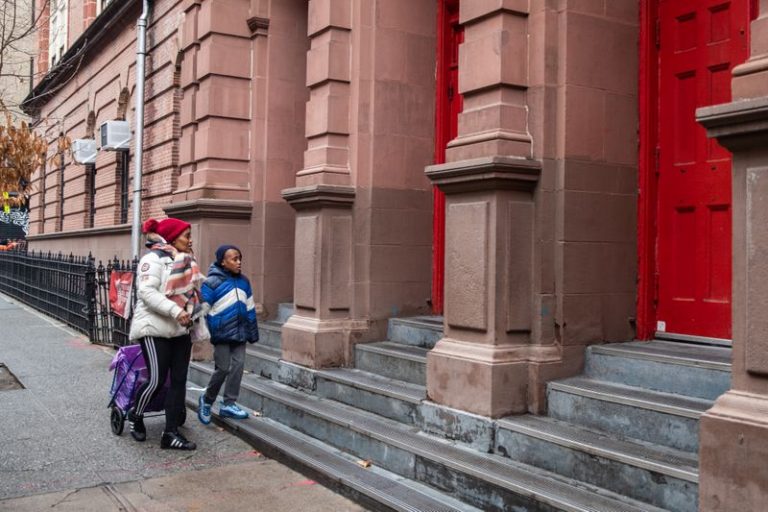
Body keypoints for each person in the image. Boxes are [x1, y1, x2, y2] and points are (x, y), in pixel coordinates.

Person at [127, 217, 204, 450]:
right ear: (172, 237)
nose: (190, 241)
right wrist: (175, 310)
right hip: (154, 328)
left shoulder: (184, 260)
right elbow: (146, 293)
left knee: (179, 380)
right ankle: (136, 415)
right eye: (186, 236)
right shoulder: (152, 259)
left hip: (180, 329)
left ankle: (170, 433)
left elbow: (191, 293)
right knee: (157, 379)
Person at [197, 244, 259, 424]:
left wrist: (252, 332)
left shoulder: (244, 282)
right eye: (234, 259)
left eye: (240, 258)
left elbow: (250, 308)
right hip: (222, 333)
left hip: (240, 332)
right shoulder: (211, 283)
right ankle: (207, 399)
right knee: (223, 368)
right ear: (223, 262)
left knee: (238, 366)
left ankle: (229, 404)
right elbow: (204, 307)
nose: (239, 262)